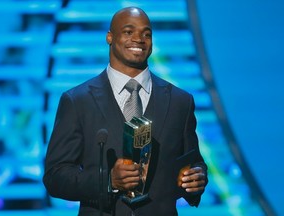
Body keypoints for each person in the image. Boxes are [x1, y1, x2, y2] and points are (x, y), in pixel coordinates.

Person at [43, 7, 208, 216]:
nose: (139, 39)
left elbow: (192, 162)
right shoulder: (77, 101)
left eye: (146, 33)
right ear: (110, 37)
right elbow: (55, 177)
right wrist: (108, 181)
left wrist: (196, 177)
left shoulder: (180, 102)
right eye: (129, 32)